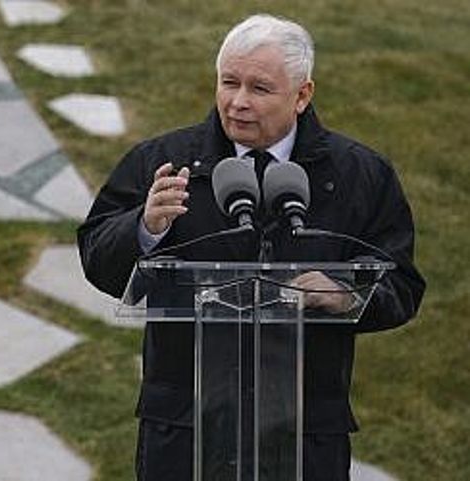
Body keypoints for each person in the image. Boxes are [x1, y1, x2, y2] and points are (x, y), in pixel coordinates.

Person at [77, 13, 425, 481]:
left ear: (302, 95)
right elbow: (97, 258)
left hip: (304, 435)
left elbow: (401, 283)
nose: (238, 102)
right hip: (185, 432)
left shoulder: (360, 175)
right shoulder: (162, 163)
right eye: (228, 83)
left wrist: (347, 293)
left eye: (259, 89)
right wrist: (143, 228)